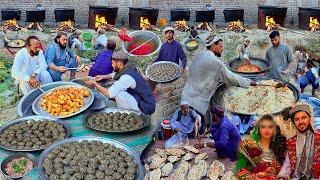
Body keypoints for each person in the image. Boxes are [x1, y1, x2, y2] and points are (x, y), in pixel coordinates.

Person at [181, 34, 255, 133]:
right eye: (220, 46)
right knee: (195, 139)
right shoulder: (215, 62)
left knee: (185, 134)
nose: (222, 49)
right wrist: (249, 82)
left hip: (185, 98)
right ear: (213, 46)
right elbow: (231, 78)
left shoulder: (199, 55)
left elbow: (201, 74)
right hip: (196, 105)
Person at [85, 50, 156, 115]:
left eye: (112, 63)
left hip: (146, 107)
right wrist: (103, 76)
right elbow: (116, 74)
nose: (111, 65)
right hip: (144, 99)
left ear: (119, 63)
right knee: (118, 90)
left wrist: (95, 84)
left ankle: (130, 115)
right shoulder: (128, 67)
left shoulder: (127, 77)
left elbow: (109, 93)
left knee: (118, 94)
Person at [236, 114, 286, 179]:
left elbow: (285, 170)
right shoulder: (251, 147)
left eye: (270, 127)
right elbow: (241, 170)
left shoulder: (280, 146)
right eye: (263, 127)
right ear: (258, 129)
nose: (266, 130)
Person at [278, 104, 320, 179]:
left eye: (304, 118)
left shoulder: (318, 139)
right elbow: (286, 167)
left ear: (310, 118)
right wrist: (282, 177)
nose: (300, 122)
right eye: (297, 119)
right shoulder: (291, 142)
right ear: (294, 123)